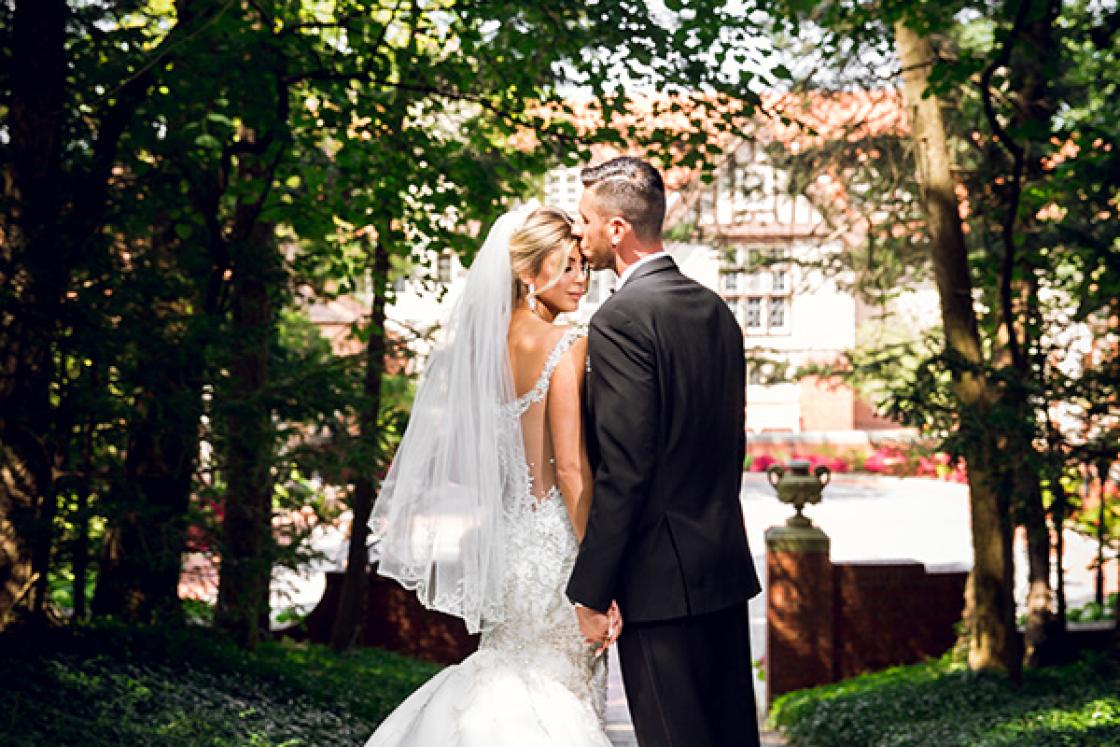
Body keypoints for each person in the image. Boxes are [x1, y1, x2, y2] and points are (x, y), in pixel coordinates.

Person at [364, 205, 615, 746]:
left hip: (506, 546)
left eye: (583, 266)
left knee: (509, 675)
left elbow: (470, 461)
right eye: (566, 266)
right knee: (559, 694)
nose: (581, 280)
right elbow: (572, 470)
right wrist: (600, 571)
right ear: (527, 272)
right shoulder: (567, 343)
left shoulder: (482, 349)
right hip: (557, 551)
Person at [567, 156, 763, 746]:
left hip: (658, 585)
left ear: (616, 228)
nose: (579, 233)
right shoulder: (716, 311)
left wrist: (591, 591)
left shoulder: (620, 319)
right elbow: (731, 444)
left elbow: (626, 468)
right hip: (722, 567)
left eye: (585, 220)